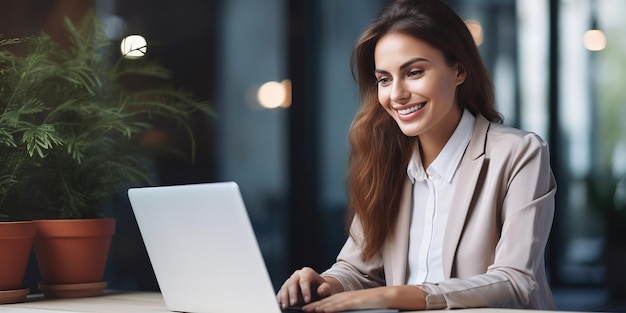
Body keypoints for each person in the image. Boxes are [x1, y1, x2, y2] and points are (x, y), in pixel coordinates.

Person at [276, 0, 556, 311]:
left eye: (414, 72)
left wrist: (398, 295)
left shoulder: (518, 153)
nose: (396, 94)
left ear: (459, 70)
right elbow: (357, 268)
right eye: (384, 79)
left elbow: (515, 282)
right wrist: (326, 283)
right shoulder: (387, 160)